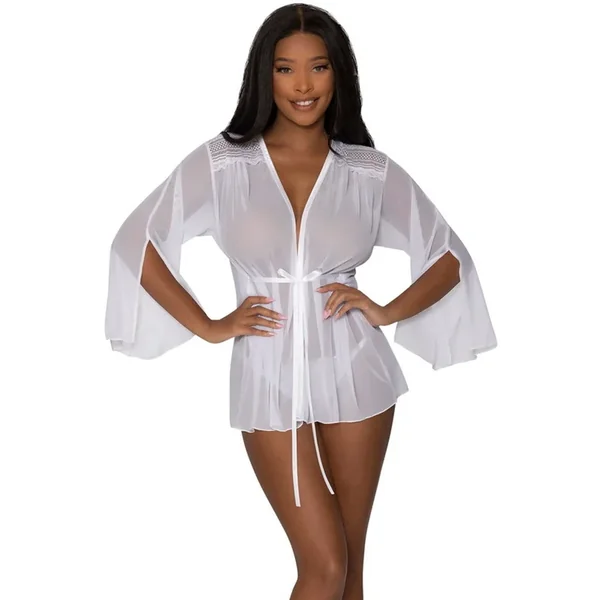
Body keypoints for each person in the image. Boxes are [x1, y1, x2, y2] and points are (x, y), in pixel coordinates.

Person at [104, 3, 497, 599]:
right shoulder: (224, 162)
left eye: (319, 67)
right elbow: (136, 242)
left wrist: (384, 311)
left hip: (356, 368)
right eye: (285, 68)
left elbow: (449, 257)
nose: (303, 85)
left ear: (339, 73)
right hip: (266, 373)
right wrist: (210, 325)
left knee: (351, 568)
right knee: (323, 566)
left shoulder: (367, 170)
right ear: (265, 76)